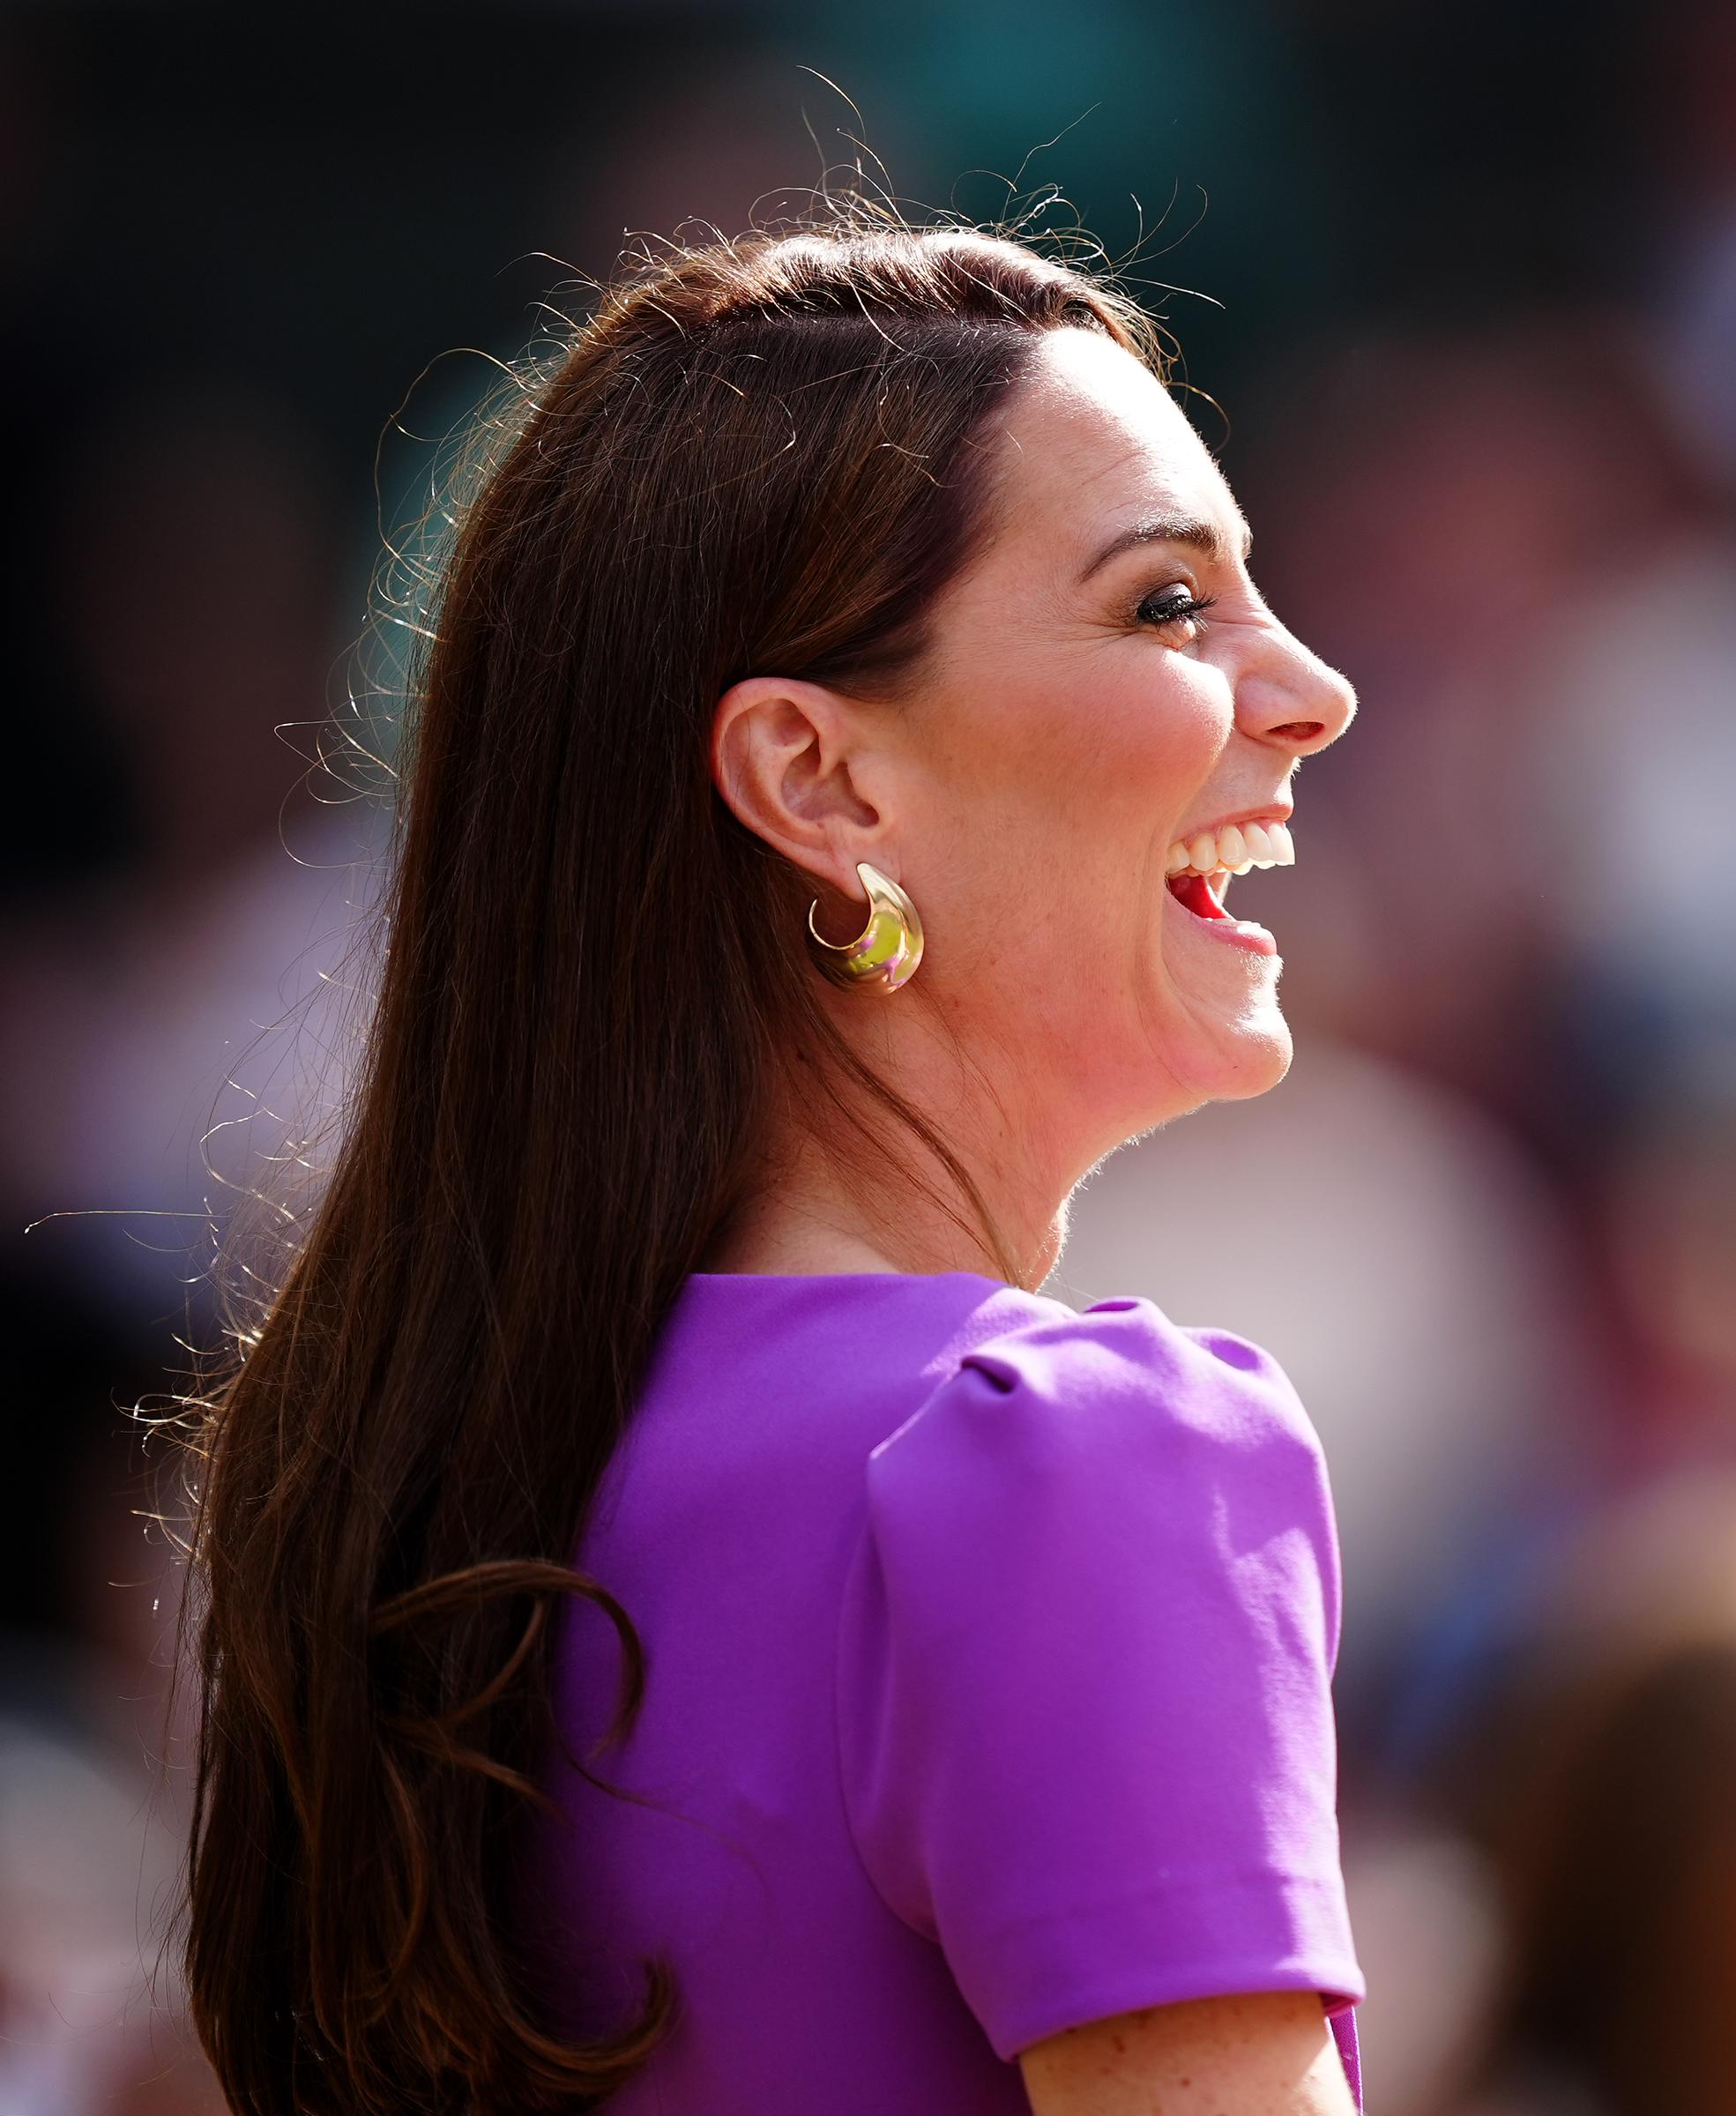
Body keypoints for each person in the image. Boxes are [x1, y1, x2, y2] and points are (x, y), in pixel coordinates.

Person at [173, 199, 1365, 2114]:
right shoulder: (1077, 1456)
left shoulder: (403, 1489)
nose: (1312, 689)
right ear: (818, 780)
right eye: (1166, 601)